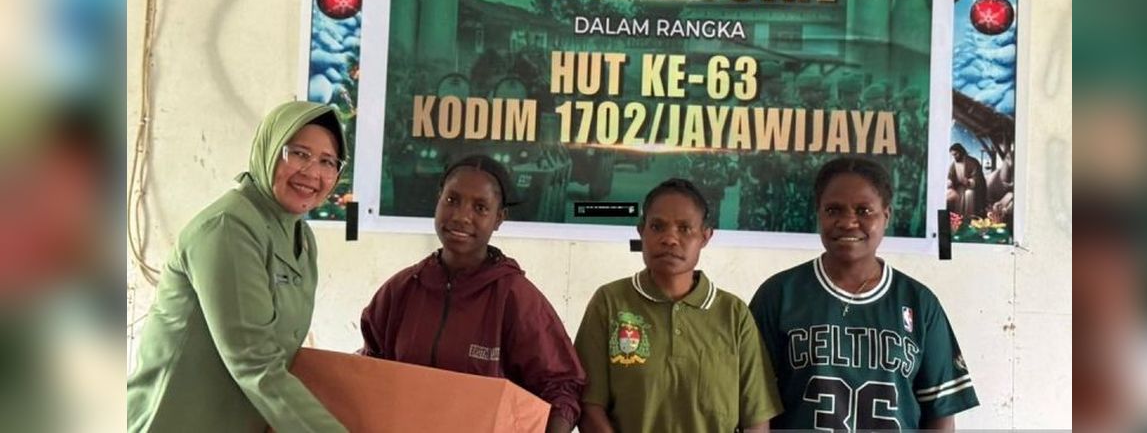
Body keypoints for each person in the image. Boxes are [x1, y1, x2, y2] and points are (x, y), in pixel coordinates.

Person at [127, 100, 349, 432]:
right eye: (299, 154)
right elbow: (254, 361)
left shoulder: (302, 238)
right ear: (269, 149)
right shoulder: (228, 227)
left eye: (328, 162)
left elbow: (281, 355)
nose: (313, 172)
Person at [359, 154, 584, 433]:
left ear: (499, 218)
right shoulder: (401, 289)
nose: (461, 216)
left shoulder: (515, 298)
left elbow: (562, 387)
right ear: (438, 200)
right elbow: (370, 371)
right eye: (452, 200)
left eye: (480, 208)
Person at [750, 156, 979, 430]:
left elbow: (940, 414)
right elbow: (754, 407)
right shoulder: (778, 295)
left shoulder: (919, 302)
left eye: (864, 210)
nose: (848, 222)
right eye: (833, 210)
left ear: (886, 216)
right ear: (819, 214)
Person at [574, 178, 782, 432]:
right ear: (641, 231)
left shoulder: (733, 313)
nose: (670, 239)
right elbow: (590, 406)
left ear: (705, 237)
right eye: (657, 226)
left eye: (684, 229)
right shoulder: (610, 302)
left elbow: (756, 419)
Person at [946, 143, 988, 219]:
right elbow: (950, 176)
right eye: (953, 155)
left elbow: (978, 178)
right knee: (956, 194)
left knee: (969, 194)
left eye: (956, 154)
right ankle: (958, 219)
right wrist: (950, 181)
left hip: (973, 188)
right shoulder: (953, 164)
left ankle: (969, 218)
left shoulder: (972, 162)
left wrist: (969, 182)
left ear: (961, 152)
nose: (954, 157)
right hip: (959, 187)